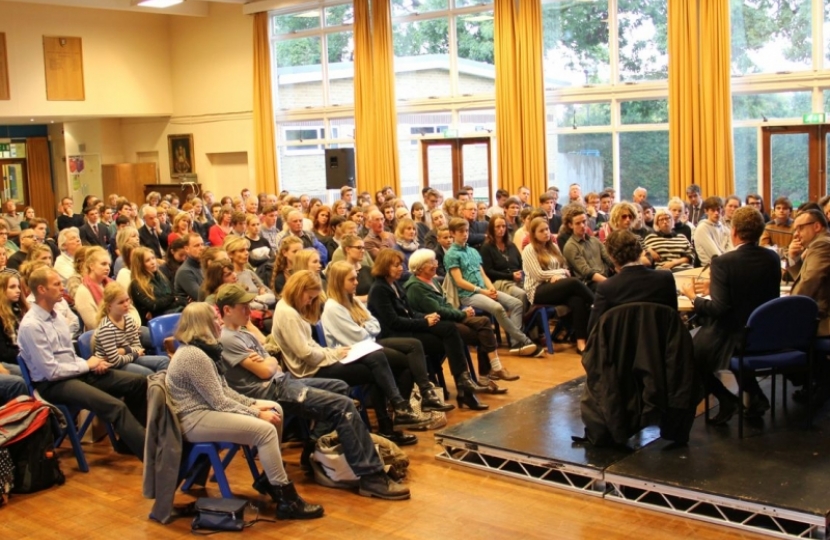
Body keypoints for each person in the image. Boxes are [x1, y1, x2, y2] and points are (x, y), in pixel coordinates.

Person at [166, 303, 324, 518]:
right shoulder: (194, 355)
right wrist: (257, 413)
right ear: (201, 324)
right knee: (265, 430)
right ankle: (287, 500)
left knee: (274, 408)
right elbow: (220, 402)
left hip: (206, 410)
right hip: (193, 419)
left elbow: (224, 392)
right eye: (215, 318)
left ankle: (270, 480)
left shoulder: (205, 349)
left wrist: (252, 403)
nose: (220, 321)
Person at [271, 270, 428, 441]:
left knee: (377, 359)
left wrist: (333, 353)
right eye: (309, 297)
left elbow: (311, 346)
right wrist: (335, 354)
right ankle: (394, 416)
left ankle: (396, 412)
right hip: (310, 371)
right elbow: (306, 354)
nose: (310, 302)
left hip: (320, 361)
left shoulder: (289, 307)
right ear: (298, 290)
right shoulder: (289, 313)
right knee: (378, 369)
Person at [18, 266, 147, 460]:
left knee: (139, 382)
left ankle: (129, 443)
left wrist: (91, 363)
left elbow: (68, 357)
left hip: (75, 373)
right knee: (114, 406)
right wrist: (87, 365)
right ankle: (154, 455)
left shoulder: (57, 316)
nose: (63, 287)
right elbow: (51, 371)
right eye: (57, 284)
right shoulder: (32, 325)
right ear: (42, 290)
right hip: (52, 385)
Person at [681, 206, 781, 425]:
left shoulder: (723, 262)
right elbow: (752, 290)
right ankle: (754, 397)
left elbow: (718, 309)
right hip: (764, 333)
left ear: (734, 232)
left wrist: (692, 297)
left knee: (688, 353)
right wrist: (717, 287)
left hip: (732, 335)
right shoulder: (772, 258)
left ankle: (727, 400)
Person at [323, 261, 454, 414]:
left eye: (356, 278)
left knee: (413, 350)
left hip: (369, 345)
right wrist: (365, 328)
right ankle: (403, 407)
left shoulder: (353, 299)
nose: (356, 282)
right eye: (351, 279)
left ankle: (410, 404)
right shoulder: (333, 307)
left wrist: (365, 327)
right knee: (405, 359)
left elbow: (374, 325)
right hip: (350, 353)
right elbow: (358, 335)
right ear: (339, 282)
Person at [367, 249, 489, 410]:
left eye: (400, 264)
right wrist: (424, 322)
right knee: (446, 339)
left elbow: (409, 312)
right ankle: (450, 390)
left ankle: (463, 383)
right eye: (396, 265)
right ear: (384, 267)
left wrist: (425, 317)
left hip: (407, 329)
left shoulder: (394, 284)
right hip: (394, 335)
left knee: (449, 328)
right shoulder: (379, 290)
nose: (400, 268)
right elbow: (394, 322)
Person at [404, 249, 518, 390]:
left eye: (435, 260)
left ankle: (492, 371)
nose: (435, 264)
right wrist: (462, 314)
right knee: (482, 335)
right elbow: (438, 311)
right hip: (437, 325)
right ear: (419, 267)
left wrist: (460, 312)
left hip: (449, 318)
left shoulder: (432, 280)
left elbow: (445, 305)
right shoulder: (416, 287)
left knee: (483, 322)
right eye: (430, 262)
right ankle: (485, 377)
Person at [444, 218, 539, 356]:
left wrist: (490, 289)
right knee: (498, 308)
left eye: (466, 231)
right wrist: (483, 291)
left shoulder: (472, 251)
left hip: (483, 291)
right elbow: (459, 281)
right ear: (452, 233)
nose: (465, 234)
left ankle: (515, 343)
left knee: (517, 303)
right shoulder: (451, 254)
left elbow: (482, 274)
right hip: (468, 295)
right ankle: (524, 340)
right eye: (460, 232)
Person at [522, 217, 595, 354]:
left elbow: (565, 266)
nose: (546, 233)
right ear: (533, 233)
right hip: (538, 291)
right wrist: (559, 273)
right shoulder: (529, 250)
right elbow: (539, 274)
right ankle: (597, 303)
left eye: (547, 229)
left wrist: (559, 276)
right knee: (574, 282)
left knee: (577, 300)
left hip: (556, 287)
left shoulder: (553, 247)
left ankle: (581, 342)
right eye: (541, 231)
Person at [588, 230, 677, 332]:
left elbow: (593, 329)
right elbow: (673, 319)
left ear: (612, 257)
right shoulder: (666, 278)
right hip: (661, 344)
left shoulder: (606, 288)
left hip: (620, 346)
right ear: (640, 251)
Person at [93, 282, 170, 376]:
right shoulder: (106, 328)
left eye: (127, 300)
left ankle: (162, 389)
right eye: (121, 302)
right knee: (148, 374)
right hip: (111, 366)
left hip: (129, 358)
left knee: (164, 361)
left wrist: (124, 350)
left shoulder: (129, 320)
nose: (126, 304)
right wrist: (133, 353)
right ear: (109, 306)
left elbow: (138, 347)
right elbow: (115, 361)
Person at [788, 209, 830, 336]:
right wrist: (793, 258)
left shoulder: (822, 244)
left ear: (817, 226)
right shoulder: (819, 245)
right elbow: (805, 278)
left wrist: (788, 306)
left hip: (823, 321)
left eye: (800, 228)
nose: (796, 234)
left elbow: (810, 281)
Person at [129, 247, 187, 325]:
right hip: (157, 321)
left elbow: (173, 296)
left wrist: (174, 300)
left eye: (153, 258)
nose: (153, 262)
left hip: (172, 312)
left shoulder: (161, 277)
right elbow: (154, 305)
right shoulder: (136, 284)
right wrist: (172, 299)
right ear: (140, 265)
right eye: (147, 260)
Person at [562, 206, 615, 290]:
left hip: (606, 277)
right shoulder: (570, 246)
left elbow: (609, 260)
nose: (582, 226)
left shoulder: (595, 240)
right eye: (578, 223)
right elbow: (586, 272)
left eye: (584, 221)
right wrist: (609, 282)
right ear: (570, 225)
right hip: (589, 283)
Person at [480, 216, 527, 309]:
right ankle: (521, 322)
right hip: (500, 282)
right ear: (491, 229)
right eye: (497, 227)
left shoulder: (511, 245)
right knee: (522, 294)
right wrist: (511, 276)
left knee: (534, 291)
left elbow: (521, 262)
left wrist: (521, 273)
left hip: (518, 279)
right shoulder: (487, 247)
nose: (501, 229)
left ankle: (533, 320)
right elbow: (488, 272)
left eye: (503, 226)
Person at [225, 236, 275, 310]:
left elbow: (272, 296)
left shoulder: (249, 273)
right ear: (230, 254)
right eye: (241, 250)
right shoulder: (230, 277)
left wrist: (256, 299)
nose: (246, 253)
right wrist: (263, 303)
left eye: (246, 250)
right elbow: (241, 305)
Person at [0, 273, 28, 401]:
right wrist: (28, 356)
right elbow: (4, 353)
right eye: (12, 287)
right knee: (25, 377)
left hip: (22, 354)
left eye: (18, 286)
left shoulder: (20, 309)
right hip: (10, 359)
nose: (17, 290)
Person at [694, 196, 732, 265]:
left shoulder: (725, 229)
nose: (716, 213)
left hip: (727, 265)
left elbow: (732, 251)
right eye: (713, 210)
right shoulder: (702, 228)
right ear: (706, 211)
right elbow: (715, 254)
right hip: (710, 267)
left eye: (718, 210)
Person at [174, 233, 206, 303]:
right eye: (197, 246)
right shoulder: (184, 272)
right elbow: (201, 297)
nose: (202, 248)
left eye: (202, 244)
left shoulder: (204, 265)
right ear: (186, 249)